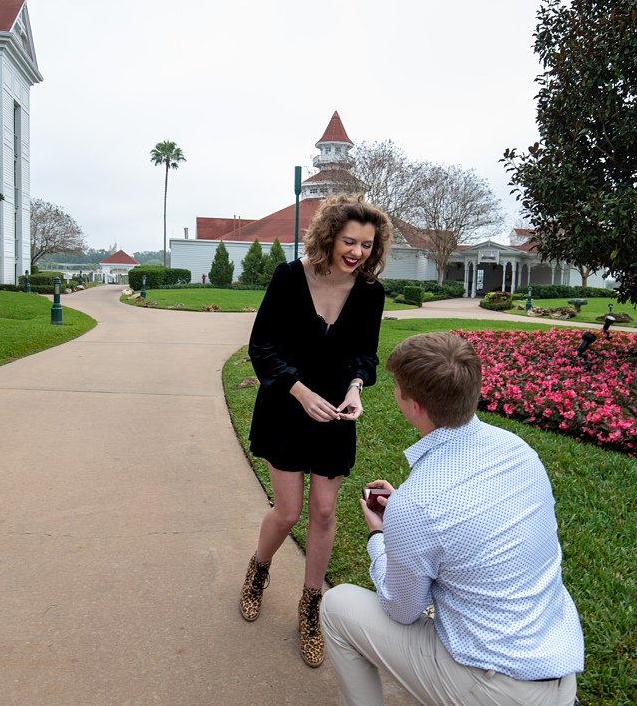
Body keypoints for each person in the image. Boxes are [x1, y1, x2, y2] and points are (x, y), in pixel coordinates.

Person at [321, 332, 584, 706]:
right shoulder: (519, 451)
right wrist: (409, 520)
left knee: (337, 606)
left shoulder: (418, 504)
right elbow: (469, 521)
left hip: (496, 687)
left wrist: (380, 536)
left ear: (414, 407)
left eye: (396, 388)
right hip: (559, 669)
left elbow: (402, 608)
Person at [239, 193, 393, 668]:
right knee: (287, 513)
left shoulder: (369, 293)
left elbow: (366, 355)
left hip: (334, 415)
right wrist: (301, 392)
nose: (358, 252)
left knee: (324, 513)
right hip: (287, 407)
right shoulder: (289, 277)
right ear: (329, 235)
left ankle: (310, 607)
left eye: (367, 245)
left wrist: (355, 389)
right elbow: (261, 346)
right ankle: (257, 572)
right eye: (350, 240)